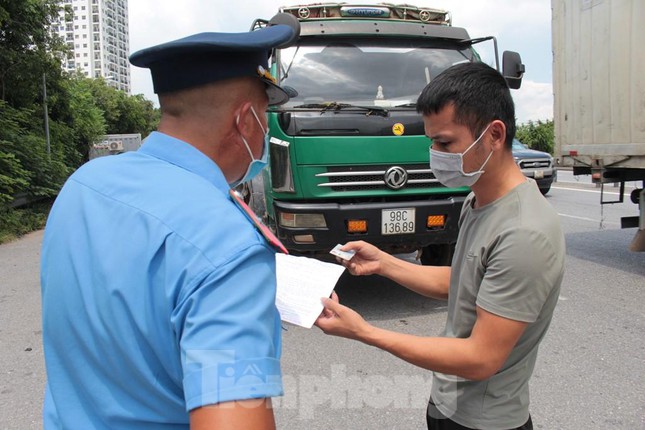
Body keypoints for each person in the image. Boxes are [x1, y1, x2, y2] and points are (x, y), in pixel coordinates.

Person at [40, 25, 296, 429]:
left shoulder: (84, 184)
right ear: (246, 119)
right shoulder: (228, 245)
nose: (265, 131)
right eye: (265, 116)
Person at [315, 62, 565, 430]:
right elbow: (463, 282)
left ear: (494, 135)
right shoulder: (477, 200)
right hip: (448, 404)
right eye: (432, 141)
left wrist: (365, 332)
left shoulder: (525, 232)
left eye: (445, 142)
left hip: (484, 421)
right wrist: (385, 262)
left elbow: (481, 358)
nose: (435, 153)